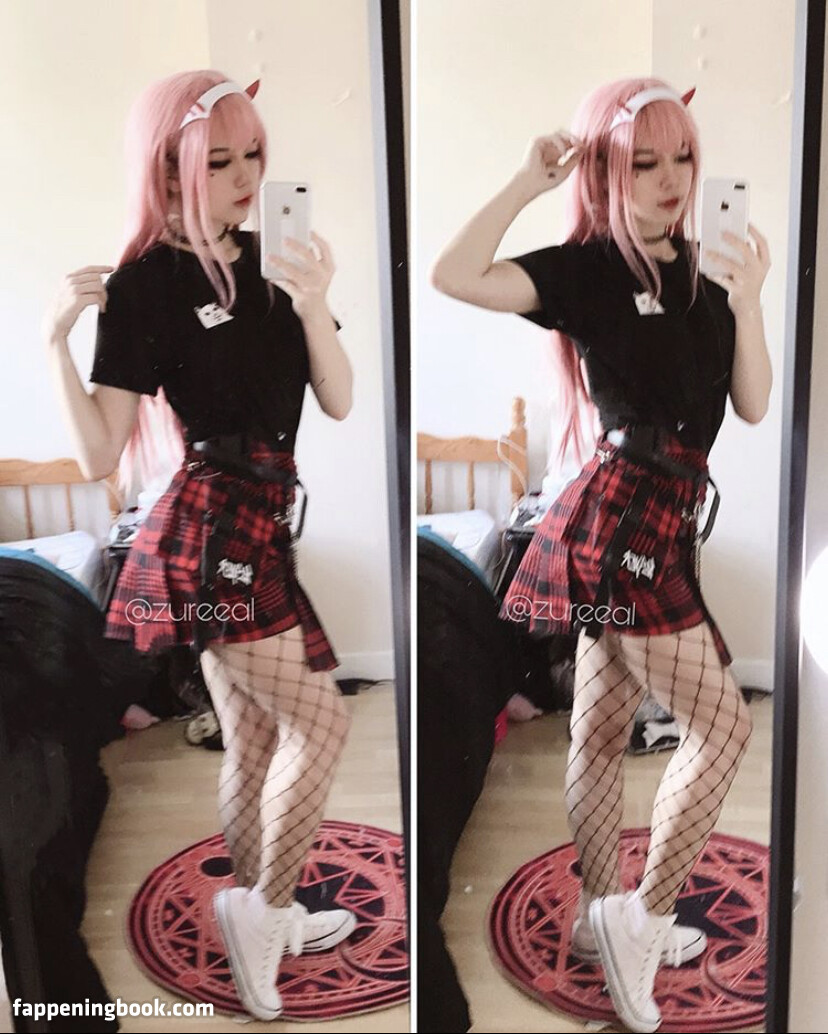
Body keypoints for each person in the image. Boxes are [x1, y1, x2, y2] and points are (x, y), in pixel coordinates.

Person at [431, 77, 771, 1034]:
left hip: (658, 522)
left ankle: (597, 916)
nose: (671, 180)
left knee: (600, 728)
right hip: (621, 520)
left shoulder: (707, 271)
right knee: (723, 729)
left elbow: (750, 406)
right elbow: (454, 274)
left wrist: (749, 302)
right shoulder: (587, 268)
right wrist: (525, 182)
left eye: (683, 157)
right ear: (608, 171)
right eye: (644, 162)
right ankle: (639, 918)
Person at [43, 70, 356, 1022]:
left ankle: (258, 905)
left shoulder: (276, 261)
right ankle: (261, 912)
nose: (245, 177)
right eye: (219, 161)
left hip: (263, 523)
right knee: (322, 723)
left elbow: (339, 399)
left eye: (253, 155)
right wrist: (55, 345)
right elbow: (100, 453)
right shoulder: (144, 285)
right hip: (210, 526)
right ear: (168, 166)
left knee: (256, 735)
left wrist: (314, 300)